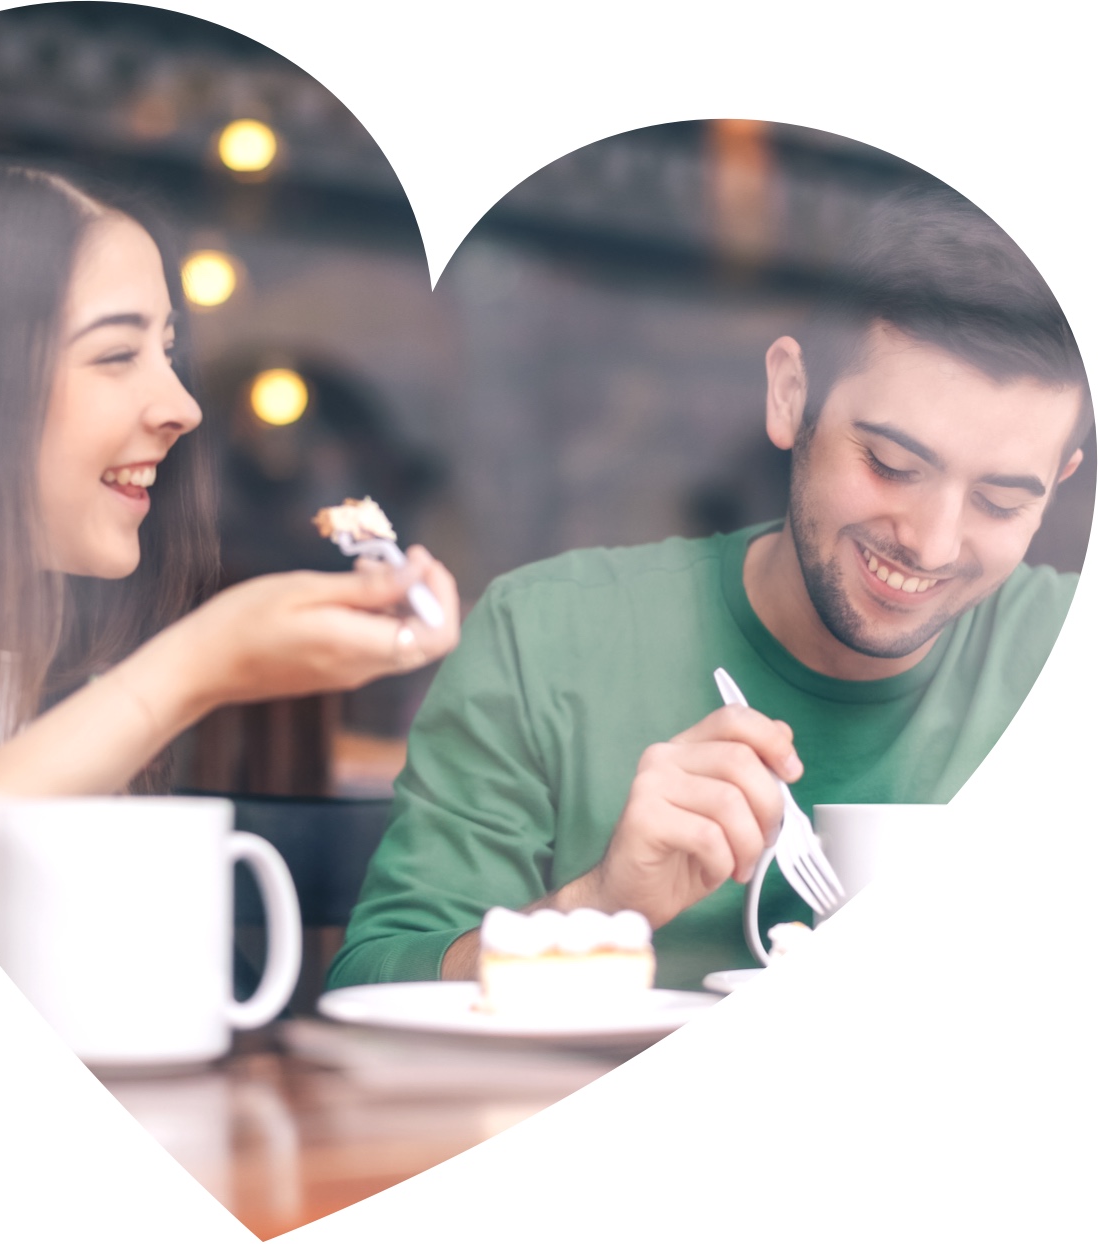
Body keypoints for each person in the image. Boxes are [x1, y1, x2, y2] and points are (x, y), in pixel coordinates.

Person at [327, 184, 1091, 991]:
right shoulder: (546, 638)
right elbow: (374, 986)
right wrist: (600, 905)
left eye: (1002, 501)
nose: (932, 543)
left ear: (1062, 479)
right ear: (791, 395)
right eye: (892, 466)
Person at [0, 155, 459, 927]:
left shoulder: (55, 666)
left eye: (166, 351)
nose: (183, 406)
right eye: (115, 355)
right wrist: (196, 668)